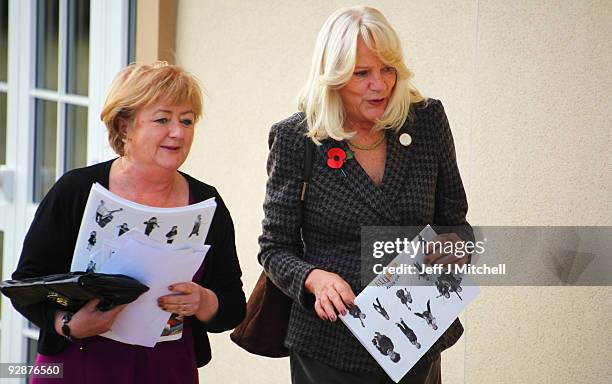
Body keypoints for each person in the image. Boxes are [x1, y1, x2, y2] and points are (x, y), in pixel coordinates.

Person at [258, 6, 472, 384]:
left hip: (417, 338)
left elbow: (456, 222)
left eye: (388, 69)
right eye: (362, 73)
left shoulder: (427, 122)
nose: (380, 85)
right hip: (331, 345)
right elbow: (274, 248)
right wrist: (314, 279)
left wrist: (455, 245)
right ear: (334, 77)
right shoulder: (297, 138)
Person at [11, 62, 246, 383]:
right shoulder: (76, 190)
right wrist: (66, 322)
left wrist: (203, 300)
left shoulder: (208, 202)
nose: (178, 132)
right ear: (125, 127)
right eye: (163, 119)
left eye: (187, 120)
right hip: (77, 363)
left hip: (168, 368)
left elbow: (232, 307)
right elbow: (28, 284)